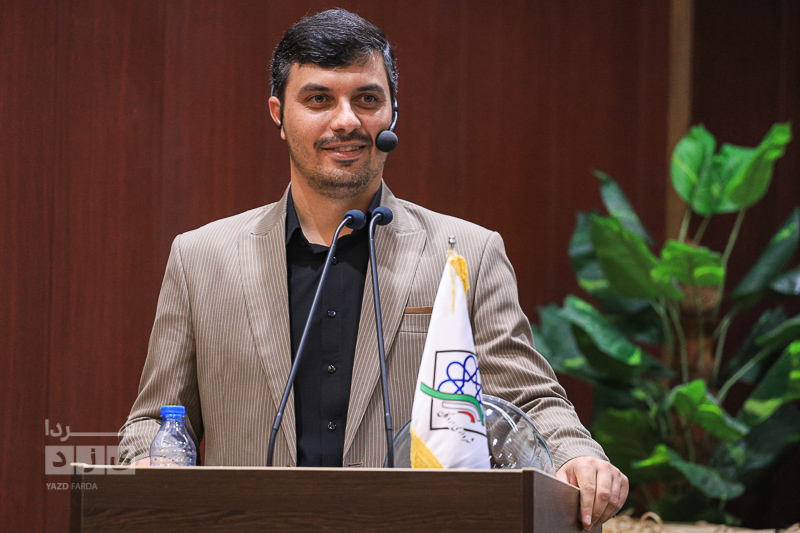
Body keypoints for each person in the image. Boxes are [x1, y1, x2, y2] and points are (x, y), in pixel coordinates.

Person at [119, 8, 628, 530]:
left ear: (392, 114)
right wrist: (154, 461)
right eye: (319, 99)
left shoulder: (468, 253)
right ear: (278, 114)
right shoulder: (201, 259)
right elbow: (155, 420)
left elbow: (530, 399)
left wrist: (576, 455)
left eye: (366, 99)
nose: (346, 121)